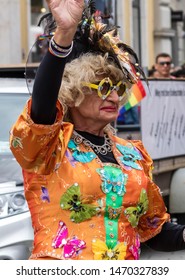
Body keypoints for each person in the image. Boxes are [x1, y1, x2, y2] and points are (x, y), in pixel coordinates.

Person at [10, 0, 185, 260]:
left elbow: (153, 229)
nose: (114, 97)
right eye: (103, 87)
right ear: (73, 91)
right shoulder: (50, 148)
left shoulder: (132, 155)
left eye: (118, 88)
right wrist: (64, 35)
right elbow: (42, 107)